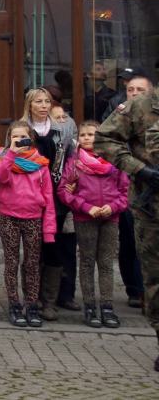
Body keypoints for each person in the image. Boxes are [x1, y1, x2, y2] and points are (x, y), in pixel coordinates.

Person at [95, 90, 159, 371]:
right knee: (156, 281)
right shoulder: (140, 106)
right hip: (153, 211)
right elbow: (103, 139)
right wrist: (140, 170)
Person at [57, 120, 127, 328]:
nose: (88, 138)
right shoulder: (74, 162)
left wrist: (112, 207)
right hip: (85, 218)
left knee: (106, 263)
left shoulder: (114, 161)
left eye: (92, 134)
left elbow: (125, 192)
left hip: (110, 218)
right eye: (84, 135)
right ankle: (89, 306)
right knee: (87, 262)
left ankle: (107, 306)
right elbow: (64, 191)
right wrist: (86, 207)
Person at [0, 120, 56, 328]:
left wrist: (49, 231)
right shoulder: (3, 158)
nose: (19, 140)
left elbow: (48, 198)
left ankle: (31, 304)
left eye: (23, 137)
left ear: (31, 139)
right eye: (15, 137)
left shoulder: (41, 164)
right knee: (11, 262)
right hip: (9, 216)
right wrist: (10, 154)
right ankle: (14, 304)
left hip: (33, 218)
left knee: (32, 264)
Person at [22, 87, 77, 319]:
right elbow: (12, 158)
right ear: (30, 105)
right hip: (28, 195)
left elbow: (70, 159)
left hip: (55, 197)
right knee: (33, 250)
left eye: (46, 102)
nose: (44, 106)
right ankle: (30, 299)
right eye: (38, 102)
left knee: (53, 247)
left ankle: (50, 301)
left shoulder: (60, 129)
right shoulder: (21, 128)